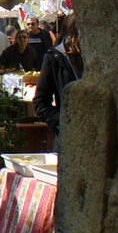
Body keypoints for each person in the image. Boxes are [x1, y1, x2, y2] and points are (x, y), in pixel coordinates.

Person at [34, 14, 84, 151]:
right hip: (68, 138)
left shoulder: (97, 58)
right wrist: (62, 123)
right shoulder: (54, 58)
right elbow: (40, 102)